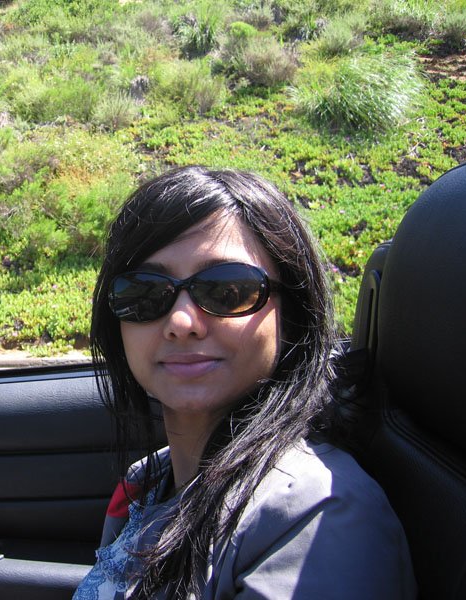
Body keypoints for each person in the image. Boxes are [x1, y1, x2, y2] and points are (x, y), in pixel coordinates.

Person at [74, 167, 416, 599]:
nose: (181, 323)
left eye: (227, 290)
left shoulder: (314, 517)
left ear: (291, 314)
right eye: (144, 293)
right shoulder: (150, 480)